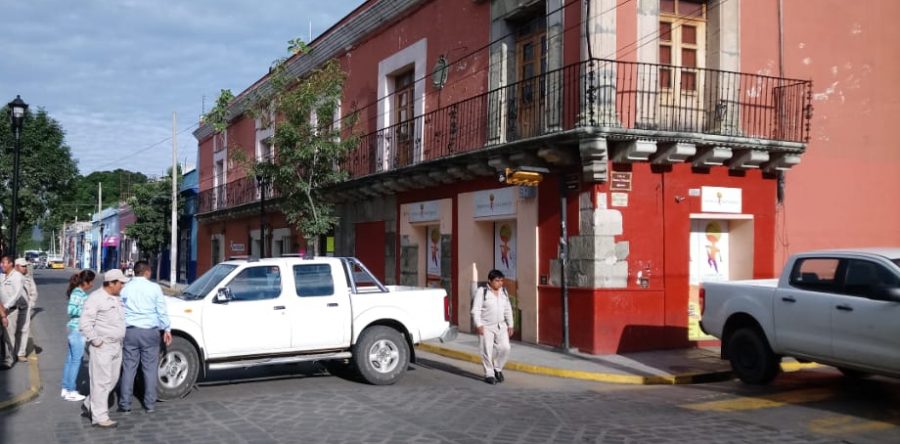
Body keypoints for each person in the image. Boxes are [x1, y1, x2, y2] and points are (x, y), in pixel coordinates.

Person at [118, 261, 171, 414]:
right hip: (149, 332)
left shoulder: (125, 288)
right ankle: (149, 404)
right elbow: (161, 310)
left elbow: (120, 309)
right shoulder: (154, 288)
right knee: (149, 369)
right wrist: (167, 328)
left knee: (129, 368)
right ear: (146, 272)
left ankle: (125, 404)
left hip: (130, 331)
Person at [79, 269, 129, 428]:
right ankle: (100, 417)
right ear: (112, 283)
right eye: (120, 283)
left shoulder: (116, 298)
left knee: (112, 380)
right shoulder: (96, 298)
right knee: (101, 382)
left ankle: (90, 404)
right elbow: (85, 323)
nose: (122, 286)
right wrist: (96, 341)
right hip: (103, 346)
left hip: (117, 346)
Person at [471, 269, 515, 385]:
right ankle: (489, 374)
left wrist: (510, 324)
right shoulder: (482, 291)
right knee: (486, 350)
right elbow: (476, 310)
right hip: (486, 326)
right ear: (490, 281)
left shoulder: (503, 292)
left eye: (501, 281)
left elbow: (508, 309)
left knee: (506, 348)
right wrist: (478, 324)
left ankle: (497, 368)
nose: (500, 283)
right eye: (497, 281)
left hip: (501, 325)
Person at [61, 270, 96, 402]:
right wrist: (86, 310)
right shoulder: (78, 293)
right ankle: (71, 390)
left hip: (73, 329)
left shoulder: (78, 292)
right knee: (76, 361)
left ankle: (66, 388)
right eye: (91, 282)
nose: (92, 285)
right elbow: (71, 310)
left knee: (70, 360)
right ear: (85, 282)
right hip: (77, 329)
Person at [0, 256, 29, 368]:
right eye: (1, 263)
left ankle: (9, 360)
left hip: (10, 310)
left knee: (9, 335)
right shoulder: (2, 276)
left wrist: (6, 307)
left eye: (4, 263)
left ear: (11, 264)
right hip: (1, 309)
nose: (2, 265)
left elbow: (16, 295)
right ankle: (4, 356)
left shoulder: (17, 277)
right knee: (3, 336)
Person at [14, 258, 39, 363]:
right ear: (16, 266)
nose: (25, 268)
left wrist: (31, 304)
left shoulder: (28, 278)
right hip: (11, 308)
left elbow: (34, 292)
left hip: (25, 308)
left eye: (25, 266)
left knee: (24, 330)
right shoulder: (10, 277)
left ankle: (20, 353)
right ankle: (9, 353)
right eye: (23, 266)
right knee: (10, 331)